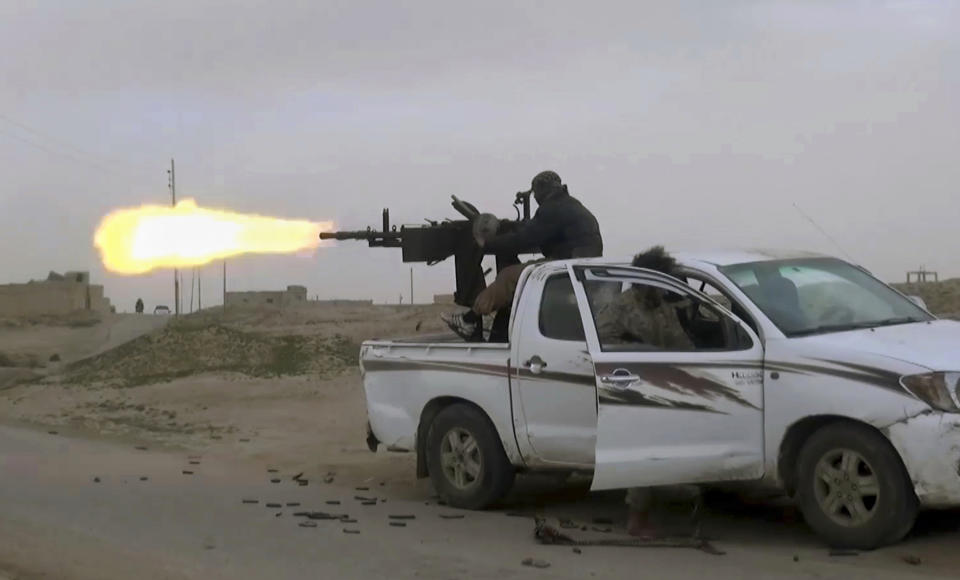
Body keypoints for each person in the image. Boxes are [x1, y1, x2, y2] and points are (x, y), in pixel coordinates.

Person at [592, 246, 700, 538]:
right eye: (660, 280)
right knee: (644, 448)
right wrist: (643, 352)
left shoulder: (662, 308)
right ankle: (637, 519)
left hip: (663, 383)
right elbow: (603, 346)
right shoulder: (620, 308)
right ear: (643, 279)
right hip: (629, 384)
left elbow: (680, 345)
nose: (664, 288)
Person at [442, 170, 603, 339]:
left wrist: (488, 244)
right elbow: (536, 227)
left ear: (540, 190)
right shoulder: (569, 204)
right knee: (525, 271)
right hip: (577, 264)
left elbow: (524, 239)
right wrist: (508, 226)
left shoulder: (552, 208)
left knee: (508, 277)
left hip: (567, 265)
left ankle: (470, 319)